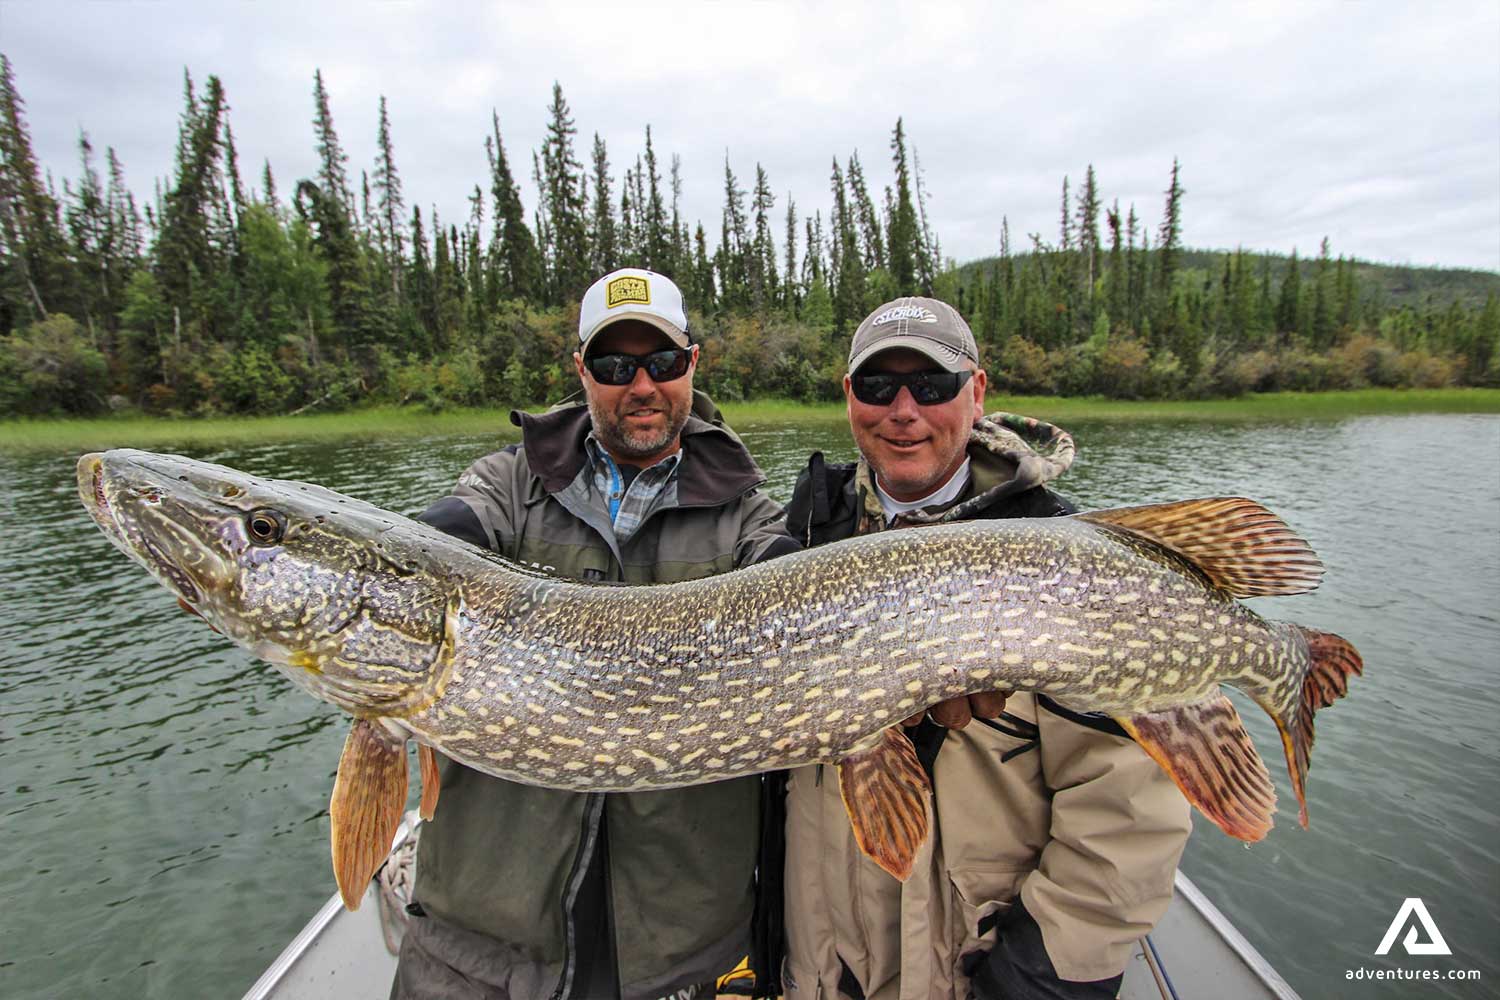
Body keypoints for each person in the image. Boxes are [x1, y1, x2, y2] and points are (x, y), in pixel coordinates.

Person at [390, 268, 798, 1000]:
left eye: (662, 362)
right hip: (481, 951)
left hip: (682, 954)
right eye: (614, 365)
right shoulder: (507, 486)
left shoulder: (751, 520)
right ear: (581, 371)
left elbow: (801, 597)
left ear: (692, 365)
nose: (640, 384)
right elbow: (437, 543)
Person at [780, 297, 1193, 1000]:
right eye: (878, 387)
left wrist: (1029, 985)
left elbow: (1129, 815)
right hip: (823, 968)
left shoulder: (1066, 560)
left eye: (933, 386)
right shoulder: (808, 531)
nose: (903, 409)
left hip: (972, 969)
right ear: (850, 397)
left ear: (977, 391)